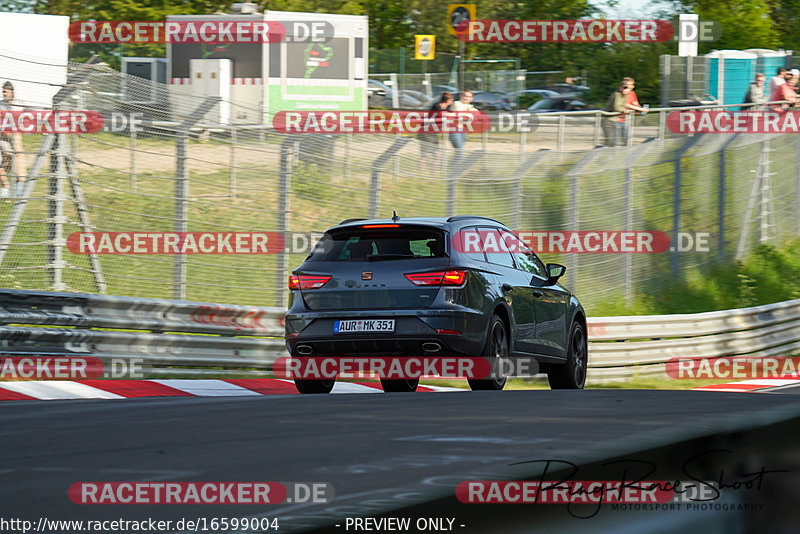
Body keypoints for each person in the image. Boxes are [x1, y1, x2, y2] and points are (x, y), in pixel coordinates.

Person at [603, 78, 646, 146]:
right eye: (624, 87)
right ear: (620, 87)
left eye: (628, 87)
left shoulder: (628, 94)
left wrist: (640, 109)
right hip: (612, 120)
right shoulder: (617, 94)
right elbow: (619, 106)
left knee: (626, 141)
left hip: (623, 120)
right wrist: (627, 110)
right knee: (612, 142)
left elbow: (634, 104)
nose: (626, 89)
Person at [0, 82, 25, 198]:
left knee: (18, 156)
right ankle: (6, 187)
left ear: (12, 92)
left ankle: (20, 185)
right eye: (3, 91)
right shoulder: (1, 104)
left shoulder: (18, 105)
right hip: (2, 136)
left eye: (6, 91)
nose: (4, 94)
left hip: (14, 135)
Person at [418, 91, 453, 171]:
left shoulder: (447, 108)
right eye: (452, 100)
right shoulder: (436, 106)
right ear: (448, 100)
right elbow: (443, 114)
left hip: (433, 133)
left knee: (436, 155)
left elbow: (450, 114)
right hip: (425, 131)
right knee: (425, 154)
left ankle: (432, 172)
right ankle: (421, 172)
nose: (452, 102)